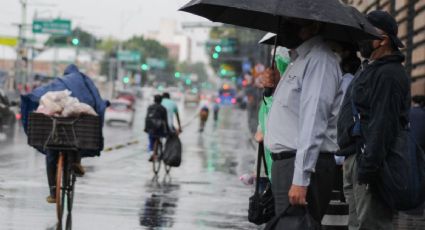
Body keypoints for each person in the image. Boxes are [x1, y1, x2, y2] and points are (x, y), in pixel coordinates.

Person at [262, 18, 342, 227]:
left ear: (314, 26)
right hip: (287, 165)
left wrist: (301, 179)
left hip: (300, 166)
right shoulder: (298, 59)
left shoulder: (320, 60)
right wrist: (274, 87)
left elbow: (313, 122)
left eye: (291, 21)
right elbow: (294, 112)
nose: (283, 26)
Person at [337, 10, 409, 229]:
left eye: (366, 33)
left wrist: (369, 168)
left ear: (382, 40)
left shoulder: (388, 74)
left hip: (369, 164)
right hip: (355, 158)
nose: (361, 39)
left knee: (371, 225)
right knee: (357, 225)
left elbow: (382, 123)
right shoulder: (370, 68)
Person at [144, 95, 169, 162]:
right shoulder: (163, 108)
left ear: (154, 100)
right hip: (160, 129)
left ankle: (152, 152)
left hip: (151, 128)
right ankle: (159, 152)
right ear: (161, 101)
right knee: (160, 138)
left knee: (151, 140)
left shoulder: (150, 107)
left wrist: (146, 128)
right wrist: (167, 131)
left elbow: (147, 118)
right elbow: (165, 121)